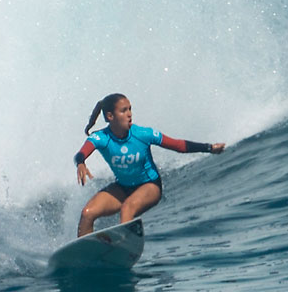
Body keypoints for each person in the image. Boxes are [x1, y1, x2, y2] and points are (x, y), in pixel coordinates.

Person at [74, 92, 225, 236]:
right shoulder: (101, 138)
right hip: (123, 187)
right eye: (124, 110)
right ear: (110, 116)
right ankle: (83, 254)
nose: (129, 114)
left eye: (130, 109)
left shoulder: (143, 134)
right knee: (87, 213)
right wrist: (81, 163)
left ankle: (125, 247)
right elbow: (81, 154)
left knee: (127, 208)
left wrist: (209, 148)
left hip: (149, 185)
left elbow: (178, 145)